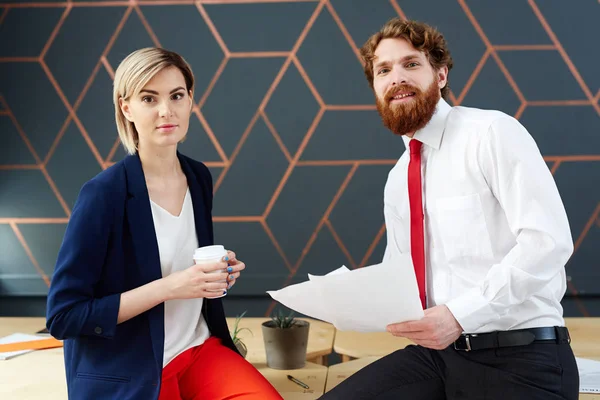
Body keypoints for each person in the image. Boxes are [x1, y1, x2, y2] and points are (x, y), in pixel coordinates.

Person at [320, 19, 578, 400]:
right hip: (439, 359)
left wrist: (460, 315)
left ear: (440, 75)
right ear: (375, 88)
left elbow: (548, 243)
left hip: (522, 358)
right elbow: (401, 275)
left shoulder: (491, 133)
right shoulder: (398, 180)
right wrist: (345, 298)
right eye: (384, 70)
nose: (397, 78)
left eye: (411, 64)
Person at [46, 47, 282, 400]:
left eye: (176, 95)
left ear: (190, 100)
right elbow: (64, 317)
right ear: (127, 107)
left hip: (199, 350)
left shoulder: (198, 177)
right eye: (148, 98)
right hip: (132, 368)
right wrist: (173, 286)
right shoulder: (102, 195)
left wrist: (215, 273)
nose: (166, 110)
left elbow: (182, 259)